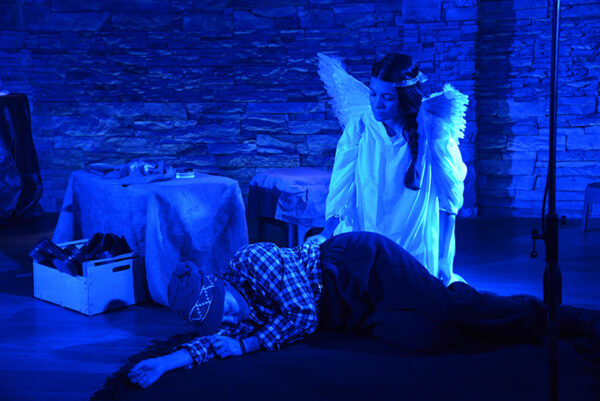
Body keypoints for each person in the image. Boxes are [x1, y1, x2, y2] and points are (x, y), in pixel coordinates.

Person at [129, 232, 600, 389]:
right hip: (351, 310)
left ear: (222, 285)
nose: (231, 321)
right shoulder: (231, 314)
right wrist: (169, 360)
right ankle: (462, 302)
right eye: (222, 322)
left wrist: (248, 343)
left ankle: (566, 318)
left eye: (227, 311)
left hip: (360, 266)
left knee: (448, 311)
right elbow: (219, 340)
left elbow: (303, 317)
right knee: (426, 339)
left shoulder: (254, 261)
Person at [312, 53, 469, 285]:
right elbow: (342, 182)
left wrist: (444, 258)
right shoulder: (361, 126)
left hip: (414, 236)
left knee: (411, 293)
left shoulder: (433, 130)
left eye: (387, 97)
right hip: (370, 227)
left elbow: (449, 200)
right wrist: (327, 232)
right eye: (373, 94)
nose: (377, 103)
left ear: (404, 99)